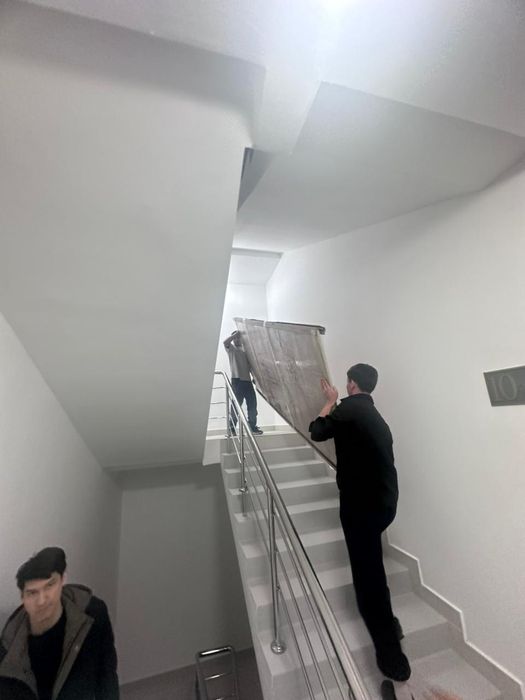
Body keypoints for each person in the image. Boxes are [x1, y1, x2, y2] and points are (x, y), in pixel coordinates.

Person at [309, 364, 411, 682]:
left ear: (352, 384)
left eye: (346, 383)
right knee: (373, 564)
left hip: (361, 507)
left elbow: (317, 430)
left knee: (368, 578)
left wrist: (330, 400)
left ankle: (391, 655)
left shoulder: (349, 409)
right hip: (385, 504)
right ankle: (390, 623)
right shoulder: (374, 415)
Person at [0, 547, 119, 700]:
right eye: (32, 592)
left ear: (63, 580)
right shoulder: (9, 647)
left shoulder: (93, 614)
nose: (42, 601)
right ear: (22, 597)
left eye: (49, 585)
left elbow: (107, 676)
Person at [223, 330, 263, 435]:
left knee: (252, 405)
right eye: (235, 338)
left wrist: (254, 378)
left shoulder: (246, 351)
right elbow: (225, 342)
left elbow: (250, 367)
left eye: (238, 338)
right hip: (237, 380)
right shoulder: (231, 349)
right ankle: (232, 428)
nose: (237, 339)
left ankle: (252, 427)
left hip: (248, 381)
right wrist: (234, 335)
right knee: (236, 405)